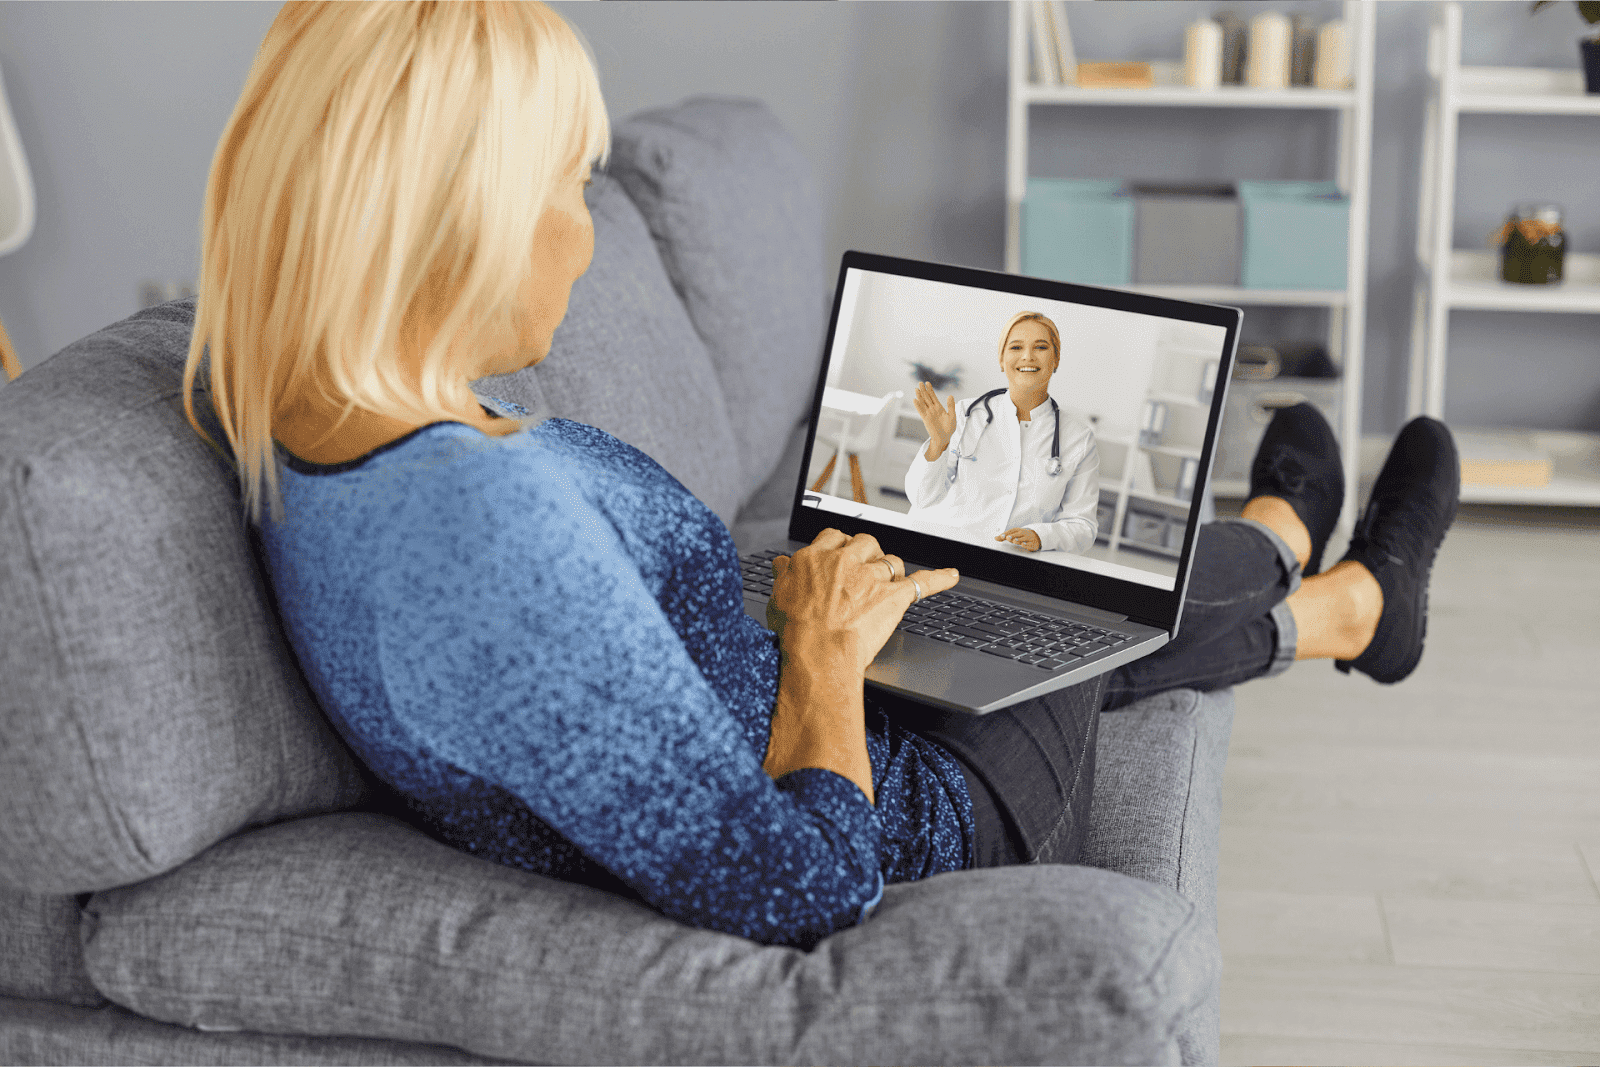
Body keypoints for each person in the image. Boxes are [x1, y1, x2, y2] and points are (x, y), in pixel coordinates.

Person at [181, 1, 1460, 951]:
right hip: (926, 799)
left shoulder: (307, 404)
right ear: (452, 217)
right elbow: (809, 891)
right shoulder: (471, 529)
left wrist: (818, 624)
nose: (586, 233)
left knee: (996, 568)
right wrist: (825, 656)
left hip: (820, 679)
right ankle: (1305, 563)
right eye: (568, 186)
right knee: (1068, 571)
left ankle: (1326, 591)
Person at [904, 312, 1099, 554]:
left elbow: (1083, 526)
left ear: (1056, 359)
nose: (1027, 356)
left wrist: (1041, 535)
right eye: (1016, 347)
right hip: (940, 548)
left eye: (1041, 347)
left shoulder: (1078, 438)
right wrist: (938, 444)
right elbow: (921, 498)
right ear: (1001, 359)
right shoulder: (965, 414)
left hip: (1007, 562)